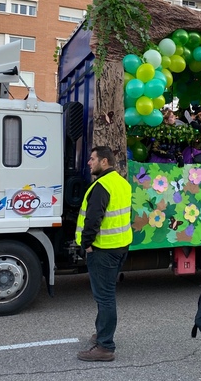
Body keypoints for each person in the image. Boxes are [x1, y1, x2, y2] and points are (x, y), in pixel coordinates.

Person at [76, 146, 133, 362]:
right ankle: (102, 334)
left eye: (92, 159)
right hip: (120, 246)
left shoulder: (101, 186)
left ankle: (105, 346)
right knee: (106, 295)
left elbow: (93, 219)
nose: (89, 162)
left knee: (105, 297)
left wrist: (86, 244)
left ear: (104, 162)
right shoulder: (122, 183)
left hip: (103, 249)